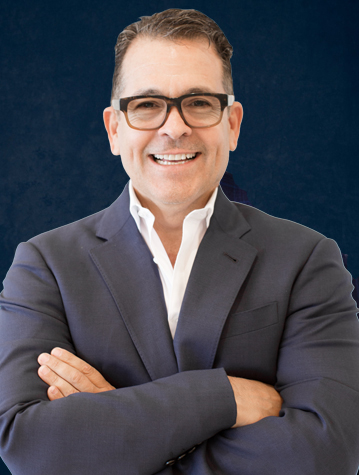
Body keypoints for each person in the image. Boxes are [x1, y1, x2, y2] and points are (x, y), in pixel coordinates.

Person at [0, 8, 359, 475]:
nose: (174, 127)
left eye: (200, 102)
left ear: (231, 124)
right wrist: (226, 396)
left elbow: (329, 451)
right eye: (147, 104)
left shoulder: (307, 260)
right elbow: (28, 445)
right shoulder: (44, 265)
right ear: (114, 128)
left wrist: (122, 438)